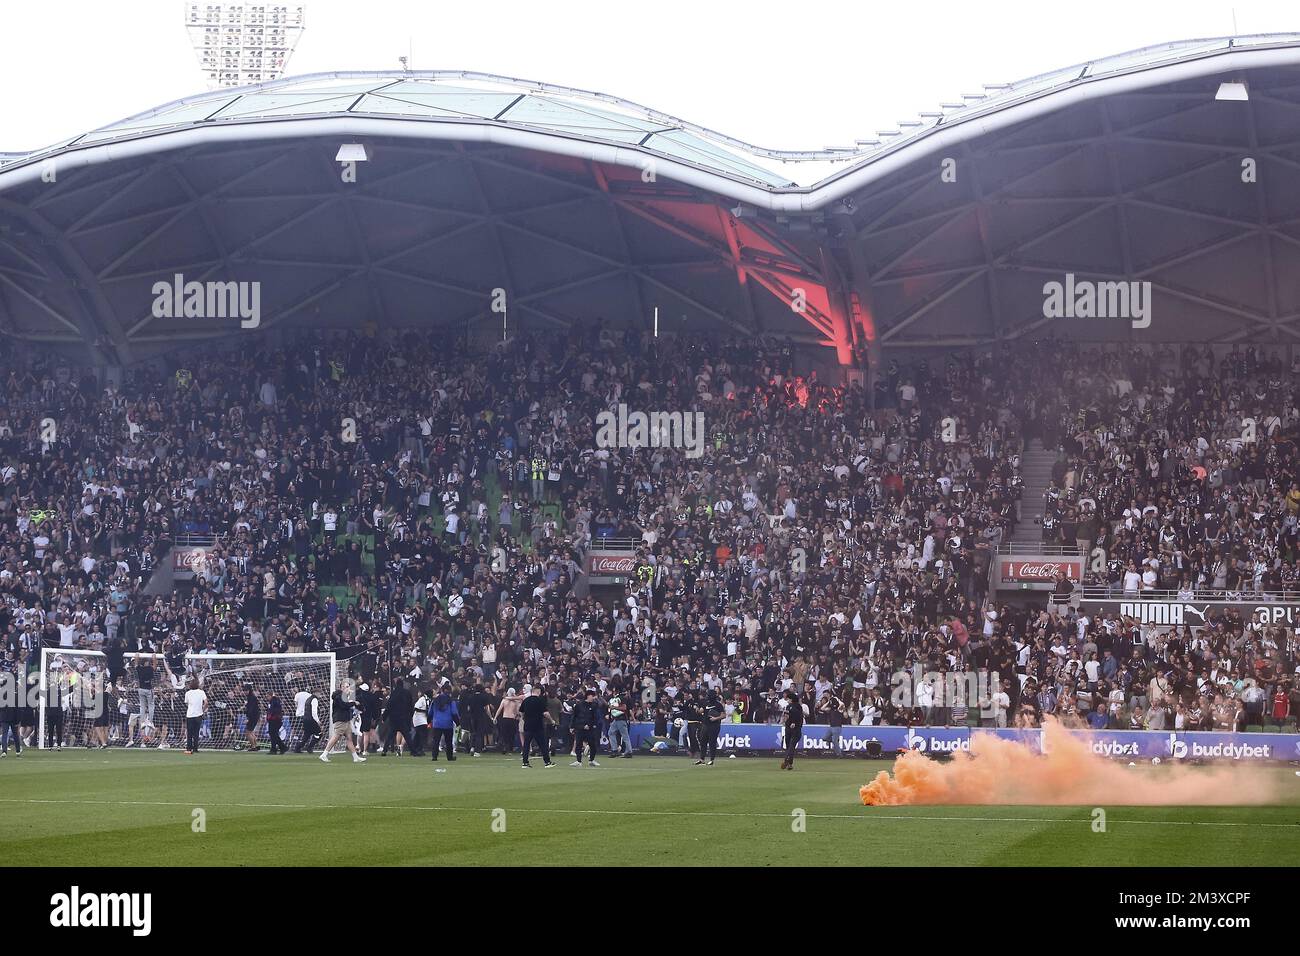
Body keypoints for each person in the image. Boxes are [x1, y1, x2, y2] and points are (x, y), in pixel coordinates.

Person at [320, 688, 366, 763]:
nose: (349, 690)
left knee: (349, 738)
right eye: (347, 687)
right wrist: (353, 703)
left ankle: (355, 757)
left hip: (345, 720)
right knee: (336, 736)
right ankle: (324, 754)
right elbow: (344, 706)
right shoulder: (339, 697)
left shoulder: (342, 697)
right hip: (340, 720)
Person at [519, 685, 555, 768]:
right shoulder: (540, 700)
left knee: (526, 744)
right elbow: (545, 713)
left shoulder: (526, 700)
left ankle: (525, 763)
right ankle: (547, 762)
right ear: (538, 691)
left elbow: (521, 712)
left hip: (527, 725)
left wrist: (524, 718)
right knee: (543, 744)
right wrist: (552, 720)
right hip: (538, 725)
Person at [570, 688, 602, 767]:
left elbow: (595, 718)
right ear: (588, 696)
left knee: (593, 744)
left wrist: (590, 725)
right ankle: (578, 761)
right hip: (580, 728)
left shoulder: (594, 705)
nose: (593, 698)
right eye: (592, 696)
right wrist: (572, 726)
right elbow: (575, 716)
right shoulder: (579, 705)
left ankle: (591, 760)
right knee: (578, 744)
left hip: (590, 729)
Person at [429, 684, 460, 761]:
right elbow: (454, 713)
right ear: (450, 691)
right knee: (448, 741)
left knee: (436, 740)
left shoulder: (435, 700)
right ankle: (449, 757)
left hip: (437, 723)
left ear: (442, 690)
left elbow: (430, 712)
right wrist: (458, 723)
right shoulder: (451, 701)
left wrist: (428, 721)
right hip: (448, 723)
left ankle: (434, 756)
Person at [696, 690, 723, 766]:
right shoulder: (705, 703)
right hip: (705, 724)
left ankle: (712, 759)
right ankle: (702, 759)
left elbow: (723, 715)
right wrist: (697, 709)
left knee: (712, 742)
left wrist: (716, 718)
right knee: (703, 742)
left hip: (714, 725)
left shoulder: (718, 705)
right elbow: (701, 711)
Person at [183, 677, 208, 755]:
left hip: (190, 714)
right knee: (196, 732)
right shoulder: (201, 692)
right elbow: (206, 703)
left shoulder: (188, 693)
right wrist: (202, 710)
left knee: (189, 732)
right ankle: (195, 748)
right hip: (198, 714)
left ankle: (188, 748)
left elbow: (186, 703)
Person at [780, 690, 803, 770]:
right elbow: (798, 717)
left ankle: (786, 760)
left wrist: (793, 722)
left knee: (790, 745)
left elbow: (797, 717)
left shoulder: (796, 707)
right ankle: (789, 763)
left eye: (789, 699)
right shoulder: (792, 706)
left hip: (793, 728)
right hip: (792, 728)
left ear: (791, 699)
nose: (788, 700)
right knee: (791, 746)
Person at [607, 694, 633, 758]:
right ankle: (615, 750)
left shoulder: (621, 698)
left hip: (621, 719)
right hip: (616, 719)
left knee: (625, 736)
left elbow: (624, 708)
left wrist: (614, 707)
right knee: (611, 733)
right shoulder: (618, 698)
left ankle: (629, 752)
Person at [410, 686, 430, 757]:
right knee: (422, 734)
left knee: (418, 734)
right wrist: (425, 711)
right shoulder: (422, 699)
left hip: (423, 718)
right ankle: (419, 749)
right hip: (419, 718)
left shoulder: (428, 699)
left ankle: (414, 749)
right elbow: (416, 708)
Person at [243, 685, 262, 751]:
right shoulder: (252, 697)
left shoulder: (251, 698)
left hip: (252, 717)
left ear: (249, 690)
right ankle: (256, 745)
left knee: (247, 733)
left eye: (246, 690)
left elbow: (251, 709)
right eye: (244, 690)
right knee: (251, 732)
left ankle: (253, 746)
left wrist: (248, 718)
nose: (245, 692)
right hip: (255, 716)